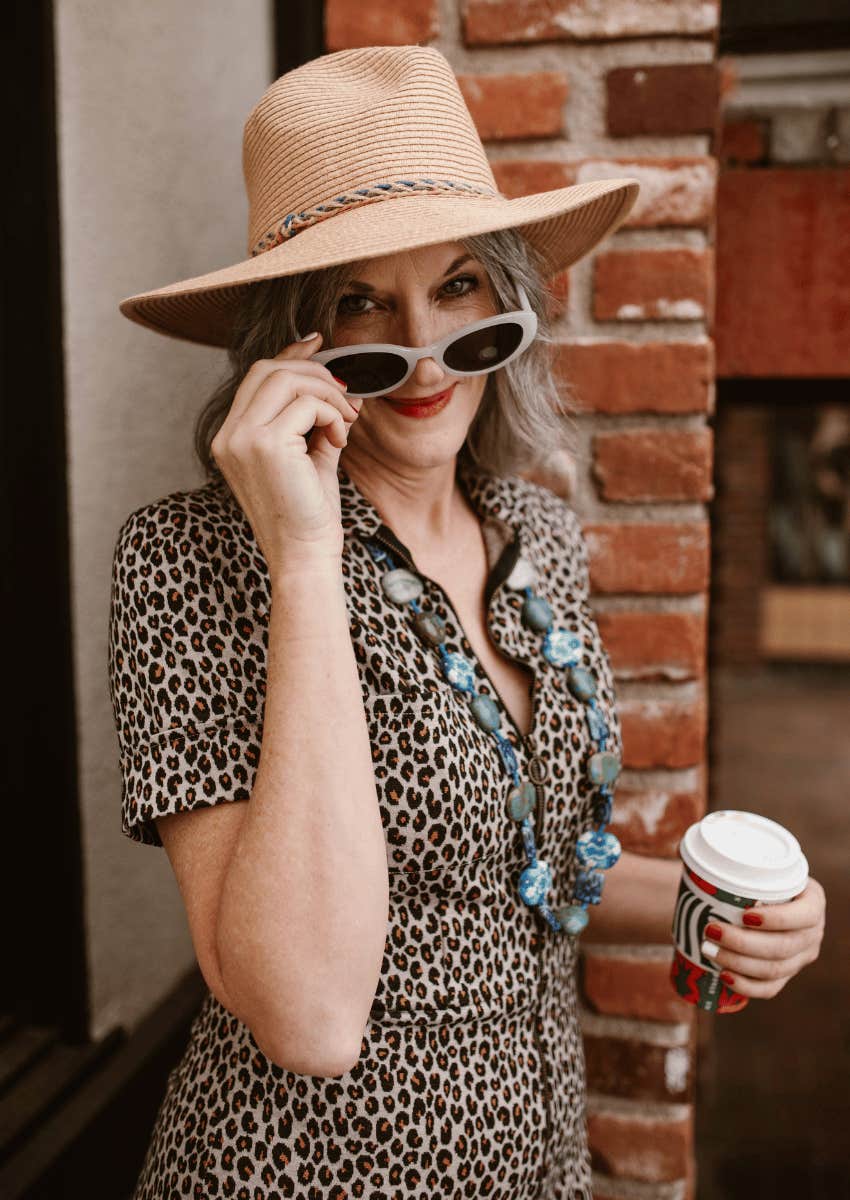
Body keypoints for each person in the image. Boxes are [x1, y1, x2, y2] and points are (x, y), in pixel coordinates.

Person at [109, 44, 826, 1200]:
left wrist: (728, 904)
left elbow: (529, 873)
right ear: (295, 345)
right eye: (360, 304)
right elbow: (307, 1016)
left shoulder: (533, 535)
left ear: (509, 302)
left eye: (458, 287)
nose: (426, 350)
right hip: (308, 1170)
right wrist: (304, 557)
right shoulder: (190, 561)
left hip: (532, 1155)